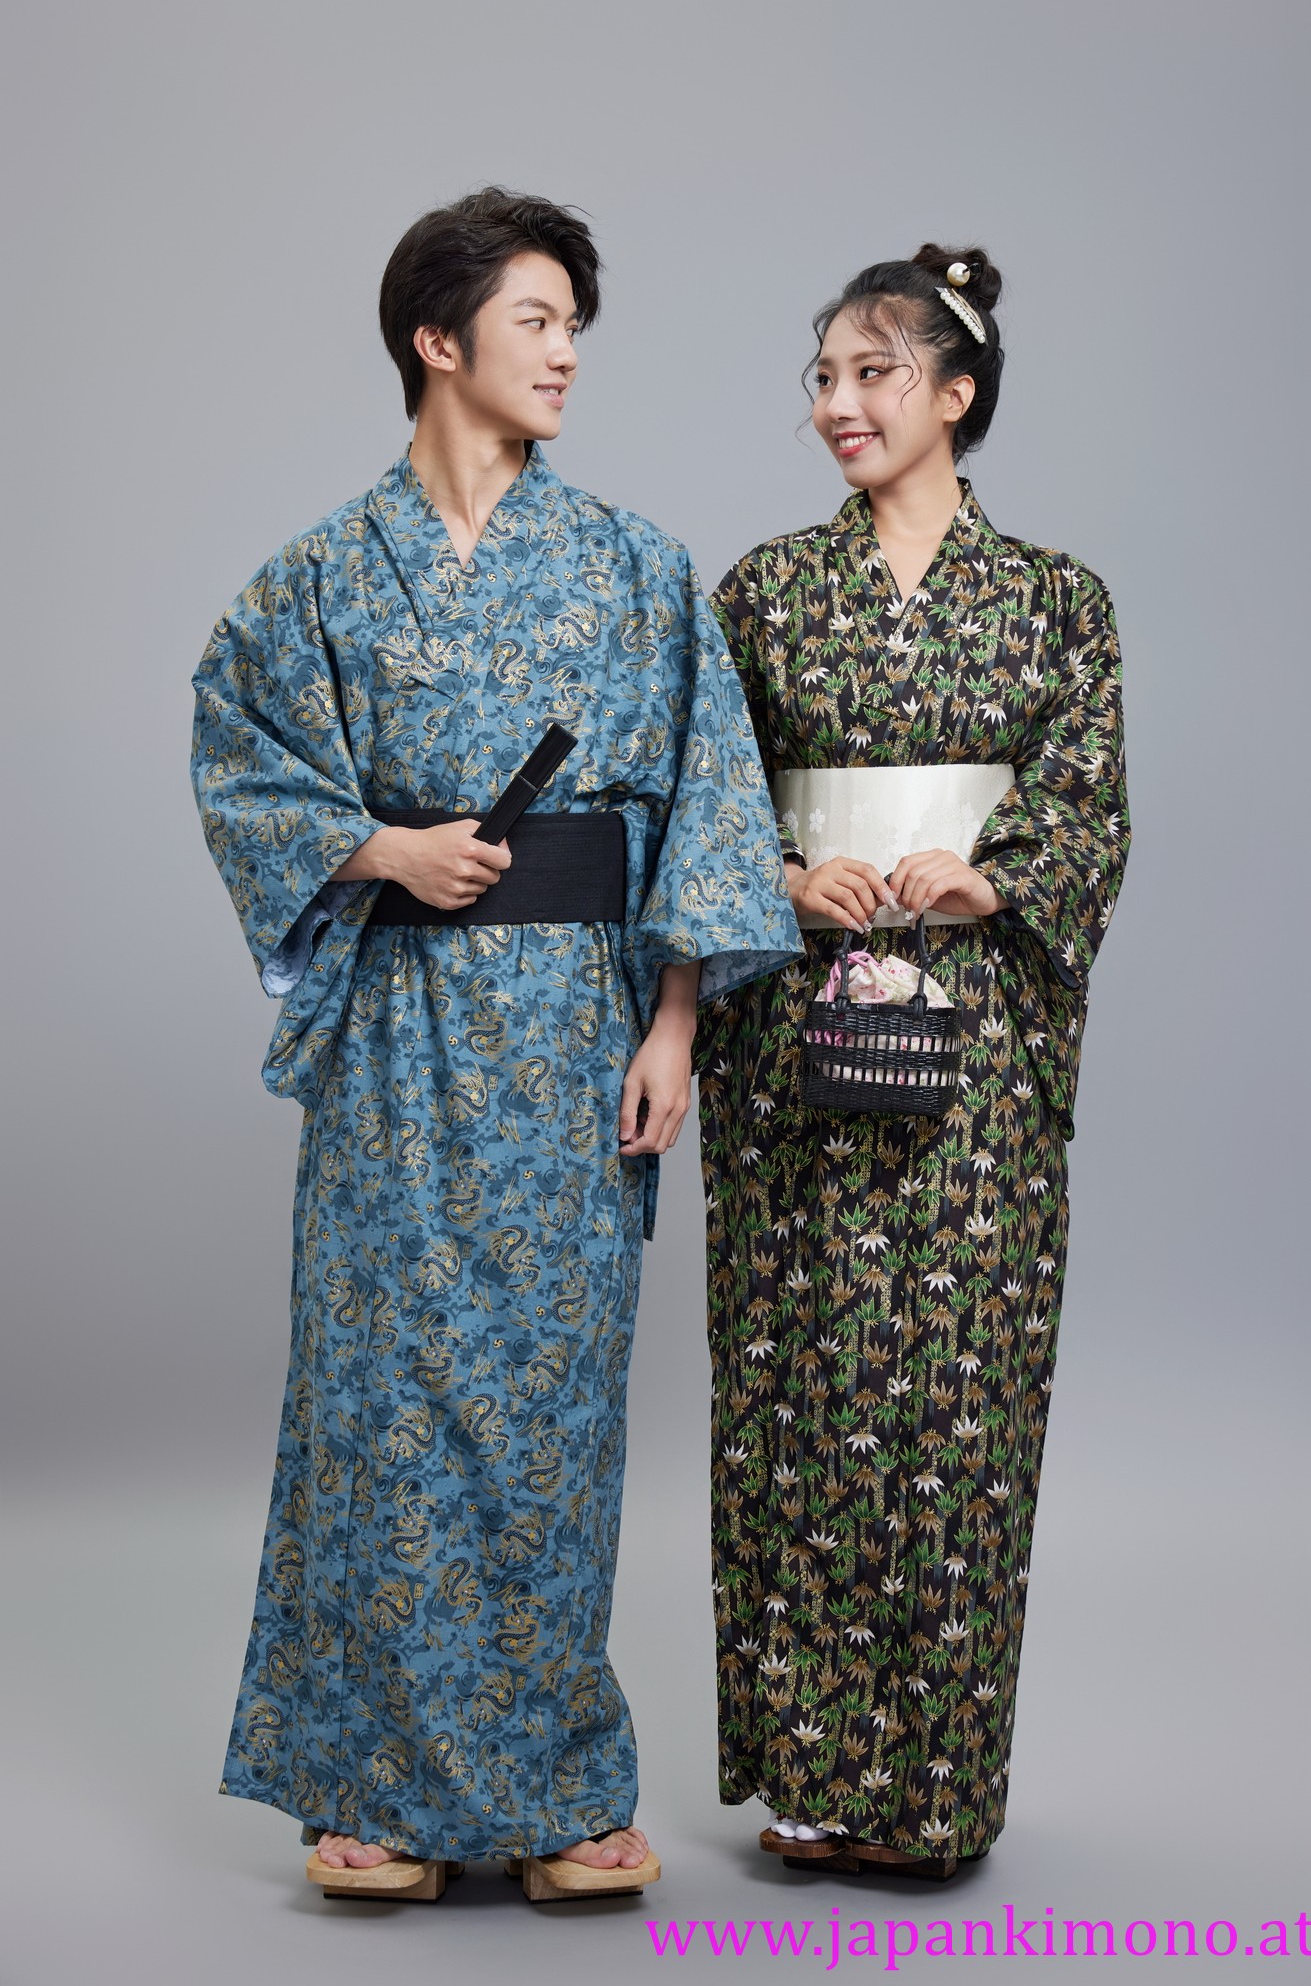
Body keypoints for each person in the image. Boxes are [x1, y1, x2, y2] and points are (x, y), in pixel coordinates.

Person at [191, 186, 800, 1904]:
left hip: (573, 1032)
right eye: (536, 321)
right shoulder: (321, 574)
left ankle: (554, 1792)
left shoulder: (632, 565)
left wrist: (675, 1022)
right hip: (396, 1036)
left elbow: (704, 798)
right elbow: (239, 760)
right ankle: (375, 1791)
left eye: (573, 327)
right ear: (435, 340)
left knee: (551, 1406)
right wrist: (382, 849)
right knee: (381, 1399)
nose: (565, 354)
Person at [696, 244, 1129, 1879]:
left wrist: (992, 878)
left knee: (960, 1400)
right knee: (797, 1388)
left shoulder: (1056, 599)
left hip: (979, 1040)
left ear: (954, 392)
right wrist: (780, 877)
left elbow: (1084, 806)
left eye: (871, 374)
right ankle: (812, 1779)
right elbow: (704, 804)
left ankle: (934, 1795)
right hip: (795, 1031)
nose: (837, 403)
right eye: (821, 376)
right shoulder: (760, 593)